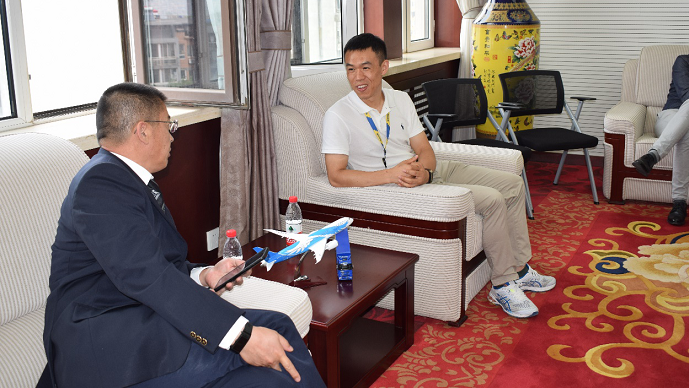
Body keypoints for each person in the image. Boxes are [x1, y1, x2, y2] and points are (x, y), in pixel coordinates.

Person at [42, 83, 325, 388]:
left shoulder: (126, 180)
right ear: (143, 131)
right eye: (169, 125)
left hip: (145, 320)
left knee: (276, 334)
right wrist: (242, 337)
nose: (172, 136)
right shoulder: (100, 183)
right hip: (110, 345)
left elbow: (156, 264)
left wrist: (204, 275)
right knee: (268, 350)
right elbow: (147, 276)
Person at [321, 33, 555, 319]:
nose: (358, 77)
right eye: (350, 69)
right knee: (493, 199)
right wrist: (392, 174)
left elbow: (424, 148)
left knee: (513, 184)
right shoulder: (338, 115)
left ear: (384, 67)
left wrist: (428, 172)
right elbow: (336, 175)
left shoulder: (400, 99)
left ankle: (519, 269)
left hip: (427, 170)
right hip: (396, 183)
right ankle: (503, 284)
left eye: (366, 67)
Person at [633, 23, 689, 226]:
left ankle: (652, 156)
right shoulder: (684, 61)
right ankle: (679, 203)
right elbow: (687, 93)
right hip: (672, 116)